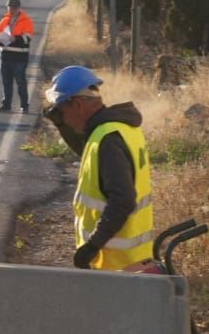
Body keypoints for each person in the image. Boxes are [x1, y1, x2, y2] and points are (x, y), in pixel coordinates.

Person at [42, 66, 153, 270]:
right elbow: (89, 151)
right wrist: (62, 125)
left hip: (115, 263)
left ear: (78, 104)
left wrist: (92, 246)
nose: (63, 117)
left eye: (62, 111)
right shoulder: (119, 129)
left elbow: (122, 200)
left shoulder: (107, 140)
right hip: (132, 258)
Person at [0, 0, 35, 112]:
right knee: (6, 83)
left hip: (19, 58)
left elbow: (27, 38)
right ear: (7, 8)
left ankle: (24, 106)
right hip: (5, 57)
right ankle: (6, 105)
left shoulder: (27, 21)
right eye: (10, 7)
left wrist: (14, 39)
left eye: (14, 8)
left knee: (21, 82)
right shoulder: (3, 21)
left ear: (19, 8)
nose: (12, 10)